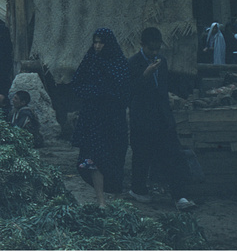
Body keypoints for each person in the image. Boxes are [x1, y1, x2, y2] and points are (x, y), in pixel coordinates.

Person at [128, 27, 196, 211]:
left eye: (157, 49)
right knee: (142, 156)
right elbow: (129, 91)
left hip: (163, 117)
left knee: (173, 154)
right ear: (142, 45)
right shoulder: (133, 63)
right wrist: (145, 75)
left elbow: (163, 89)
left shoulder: (162, 61)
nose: (154, 52)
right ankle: (138, 189)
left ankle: (179, 195)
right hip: (142, 119)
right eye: (151, 49)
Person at [70, 27, 130, 207]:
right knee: (95, 157)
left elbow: (124, 88)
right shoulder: (90, 60)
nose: (97, 46)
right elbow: (77, 83)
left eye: (101, 43)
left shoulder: (119, 62)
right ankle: (101, 200)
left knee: (115, 154)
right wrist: (95, 92)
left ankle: (117, 197)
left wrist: (107, 93)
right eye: (95, 42)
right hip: (93, 117)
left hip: (113, 117)